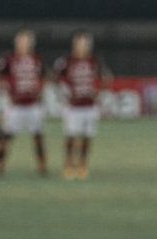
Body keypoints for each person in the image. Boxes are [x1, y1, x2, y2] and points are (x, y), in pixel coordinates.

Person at [54, 31, 113, 180]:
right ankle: (68, 165)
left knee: (87, 137)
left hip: (90, 105)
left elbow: (107, 78)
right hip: (73, 106)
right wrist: (64, 94)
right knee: (71, 136)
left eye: (85, 44)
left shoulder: (95, 61)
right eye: (80, 43)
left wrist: (99, 94)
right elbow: (56, 79)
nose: (83, 47)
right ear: (74, 44)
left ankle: (82, 165)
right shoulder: (66, 61)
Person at [0, 29, 48, 176]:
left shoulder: (37, 59)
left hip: (33, 105)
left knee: (38, 136)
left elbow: (45, 76)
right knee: (6, 137)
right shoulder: (9, 59)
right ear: (16, 42)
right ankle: (0, 165)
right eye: (22, 41)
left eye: (28, 41)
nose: (25, 44)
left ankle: (42, 166)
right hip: (15, 105)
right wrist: (1, 87)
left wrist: (41, 91)